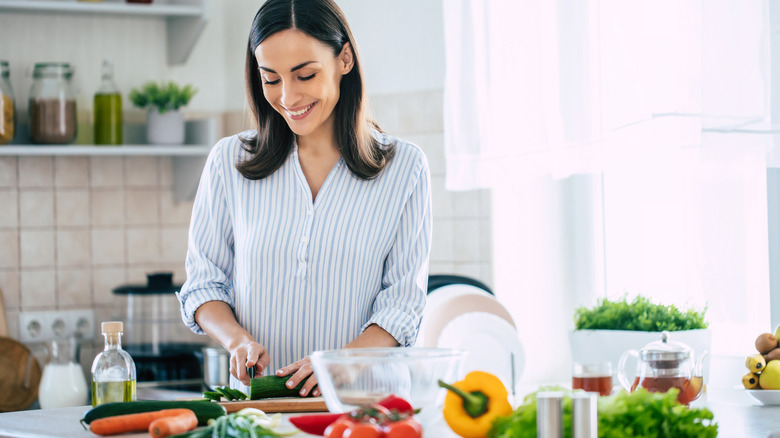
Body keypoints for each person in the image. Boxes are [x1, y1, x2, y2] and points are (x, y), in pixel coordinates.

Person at [177, 0, 432, 398]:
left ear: (344, 58)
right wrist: (236, 340)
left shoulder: (405, 168)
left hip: (361, 410)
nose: (288, 97)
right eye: (271, 79)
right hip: (258, 412)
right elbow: (204, 284)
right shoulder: (229, 162)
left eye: (305, 75)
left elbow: (402, 305)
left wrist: (337, 364)